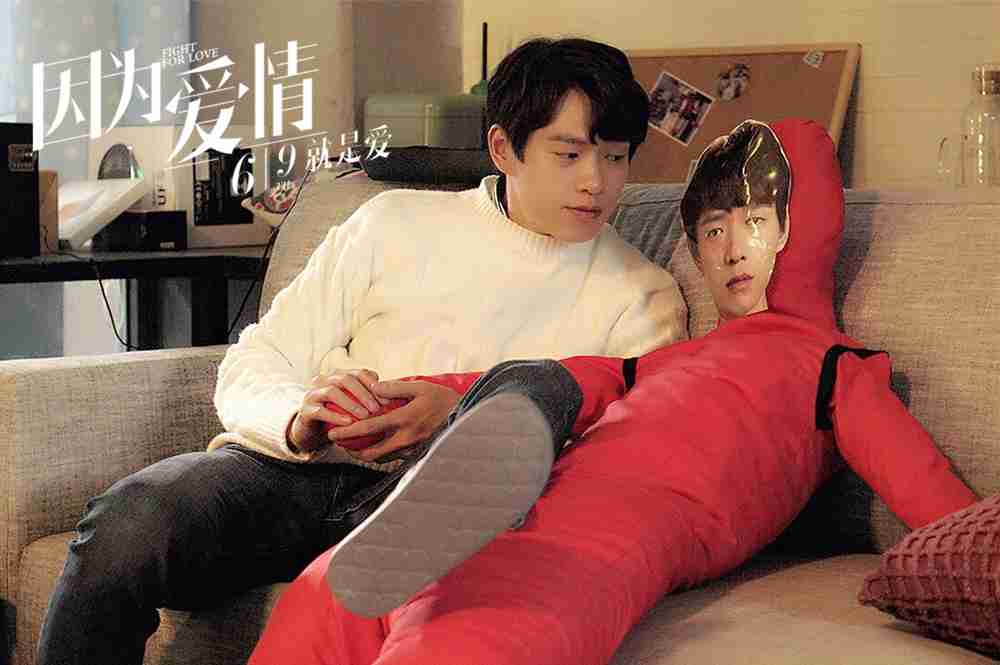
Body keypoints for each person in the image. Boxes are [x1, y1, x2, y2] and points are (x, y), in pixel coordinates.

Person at [35, 38, 688, 664]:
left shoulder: (641, 295)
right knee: (128, 521)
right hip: (295, 472)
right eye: (569, 155)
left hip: (437, 510)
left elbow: (622, 464)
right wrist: (300, 415)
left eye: (615, 157)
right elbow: (258, 358)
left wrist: (459, 416)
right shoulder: (393, 221)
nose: (596, 182)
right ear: (503, 149)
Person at [247, 118, 978, 665]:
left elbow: (940, 507)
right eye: (713, 229)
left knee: (473, 632)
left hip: (608, 537)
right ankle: (458, 473)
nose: (731, 249)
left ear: (802, 228)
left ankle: (465, 488)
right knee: (324, 595)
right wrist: (403, 395)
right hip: (519, 491)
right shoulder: (664, 360)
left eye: (755, 223)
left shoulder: (834, 369)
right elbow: (570, 376)